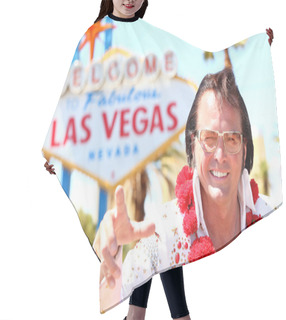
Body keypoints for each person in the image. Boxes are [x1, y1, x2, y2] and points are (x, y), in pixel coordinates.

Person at [45, 1, 191, 319]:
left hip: (153, 154)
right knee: (146, 232)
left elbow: (190, 68)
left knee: (157, 232)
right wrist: (59, 149)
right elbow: (76, 96)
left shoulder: (151, 36)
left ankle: (137, 315)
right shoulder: (95, 38)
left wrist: (249, 53)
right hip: (118, 158)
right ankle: (174, 316)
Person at [94, 68, 272, 315]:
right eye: (209, 138)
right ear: (192, 144)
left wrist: (263, 48)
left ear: (244, 147)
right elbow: (137, 265)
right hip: (159, 243)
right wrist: (111, 275)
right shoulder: (165, 228)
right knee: (167, 234)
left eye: (231, 139)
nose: (219, 156)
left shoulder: (268, 213)